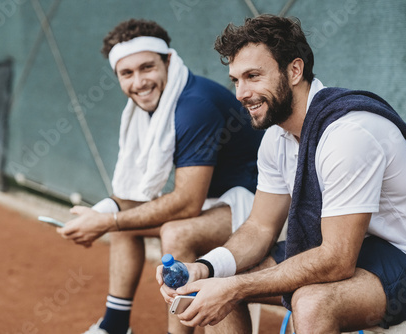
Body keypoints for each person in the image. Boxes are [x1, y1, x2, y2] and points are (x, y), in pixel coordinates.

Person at [157, 14, 406, 333]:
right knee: (222, 278)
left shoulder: (348, 135)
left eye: (253, 76)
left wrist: (237, 287)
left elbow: (337, 258)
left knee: (311, 302)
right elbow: (259, 227)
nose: (241, 93)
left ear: (294, 70)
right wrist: (206, 268)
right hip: (358, 248)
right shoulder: (277, 137)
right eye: (236, 80)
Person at [57, 19, 264, 334]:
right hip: (218, 201)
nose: (139, 82)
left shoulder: (195, 105)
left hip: (260, 205)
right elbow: (138, 202)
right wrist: (103, 214)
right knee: (126, 218)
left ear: (168, 61)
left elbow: (187, 204)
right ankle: (114, 325)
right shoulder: (153, 104)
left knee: (175, 232)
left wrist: (108, 222)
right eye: (127, 73)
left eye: (147, 68)